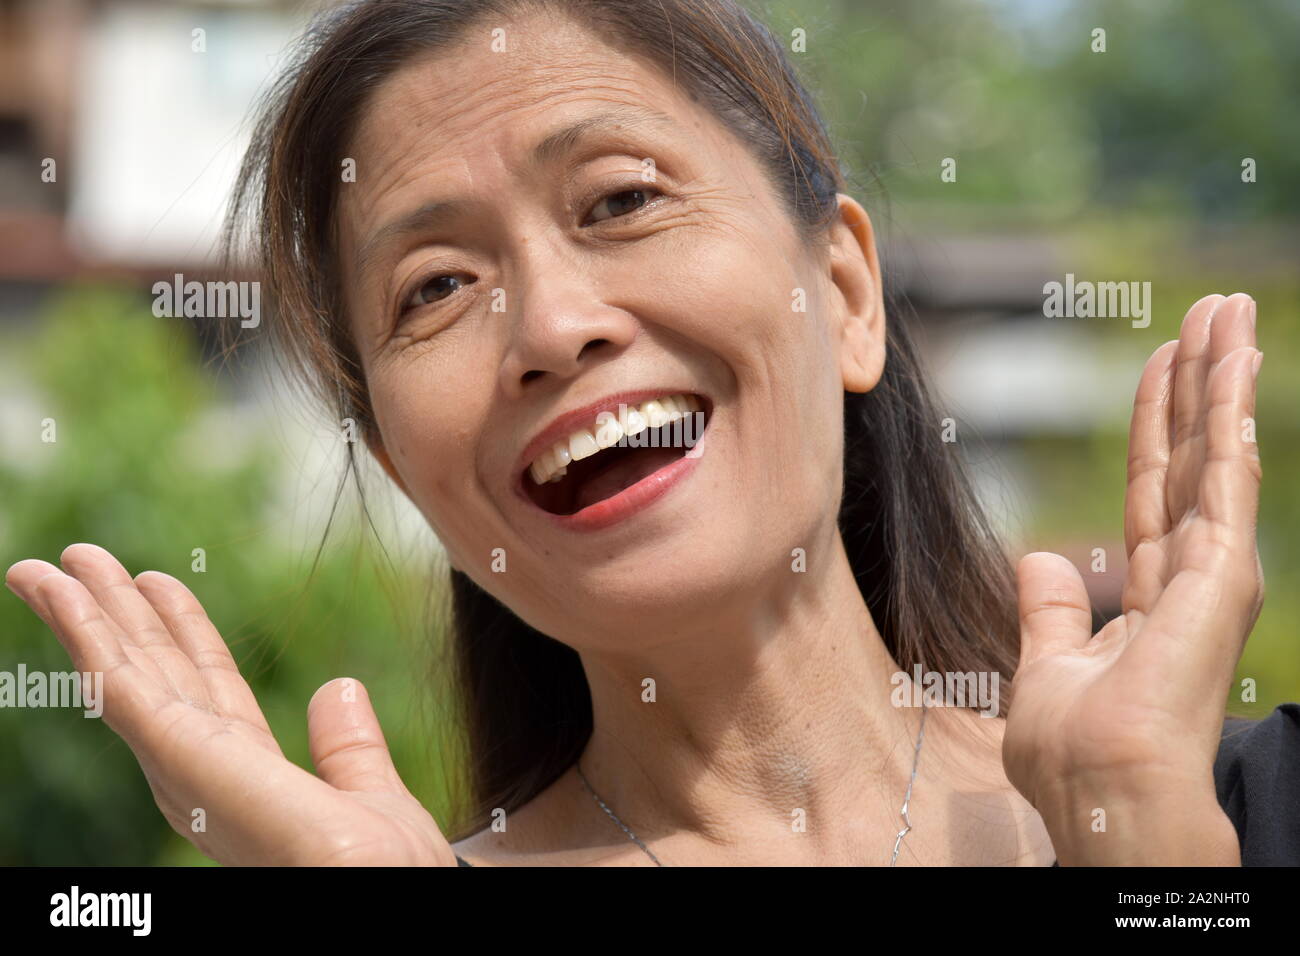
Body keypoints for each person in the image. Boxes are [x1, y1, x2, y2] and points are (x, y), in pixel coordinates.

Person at [6, 0, 1293, 866]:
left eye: (620, 198)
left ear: (843, 295)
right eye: (435, 287)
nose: (552, 326)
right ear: (408, 474)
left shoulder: (1241, 806)